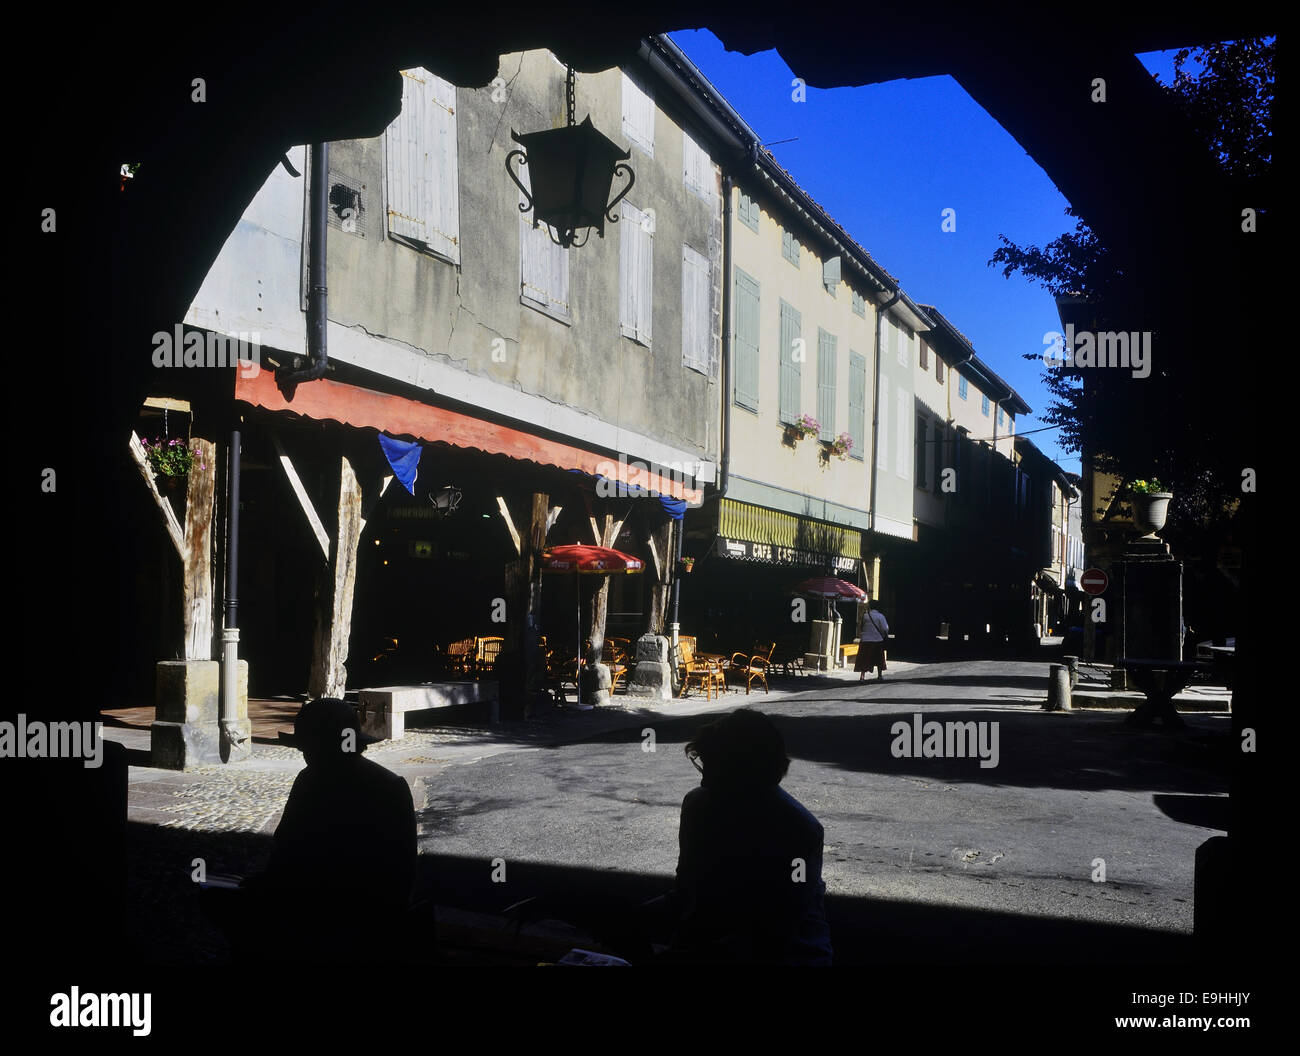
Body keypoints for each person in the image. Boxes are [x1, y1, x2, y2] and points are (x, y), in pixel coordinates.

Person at [204, 697, 417, 963]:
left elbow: (289, 854)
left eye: (308, 748)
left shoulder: (312, 782)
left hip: (342, 921)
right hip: (353, 916)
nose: (306, 756)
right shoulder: (387, 786)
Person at [665, 709, 832, 965]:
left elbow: (778, 926)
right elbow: (688, 887)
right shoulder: (698, 805)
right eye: (703, 763)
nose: (703, 779)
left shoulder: (798, 830)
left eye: (714, 766)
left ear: (743, 771)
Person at [856, 600, 889, 681]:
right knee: (879, 659)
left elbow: (861, 626)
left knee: (864, 659)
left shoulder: (865, 616)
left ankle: (862, 677)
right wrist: (884, 635)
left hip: (865, 640)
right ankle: (880, 675)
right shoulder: (880, 616)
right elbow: (885, 628)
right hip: (877, 640)